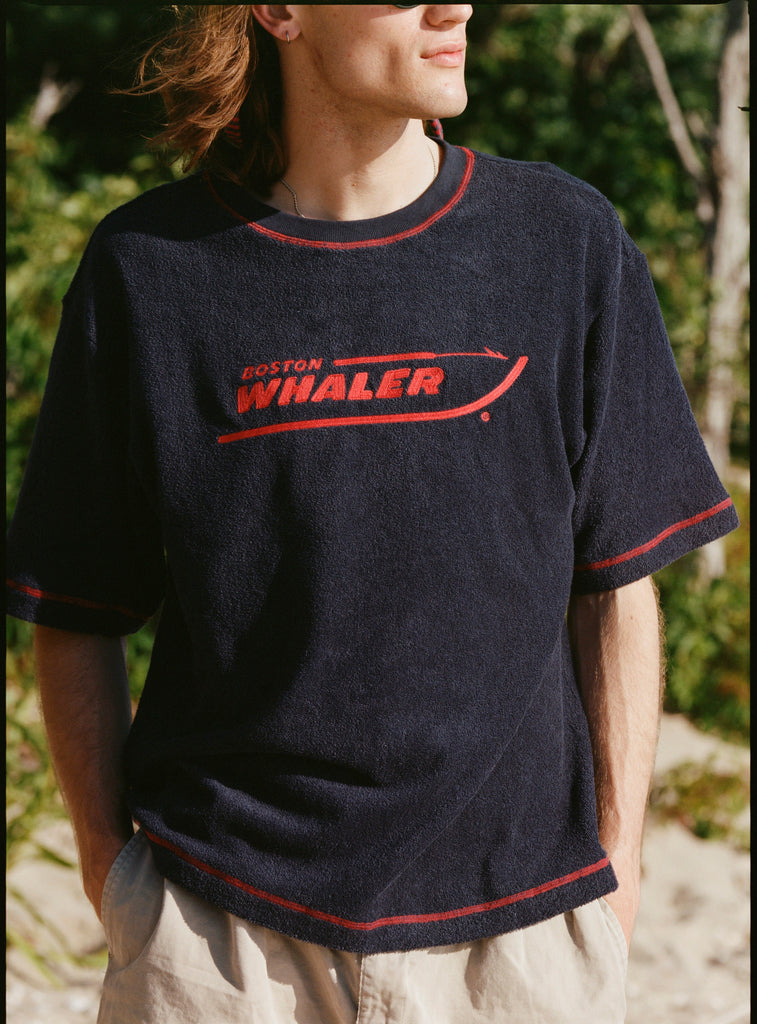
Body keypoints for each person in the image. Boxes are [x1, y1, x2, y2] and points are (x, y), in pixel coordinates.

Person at [6, 5, 739, 1023]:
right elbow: (74, 600)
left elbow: (616, 583)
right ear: (281, 11)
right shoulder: (150, 270)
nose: (454, 7)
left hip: (517, 939)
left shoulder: (563, 246)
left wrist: (616, 867)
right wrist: (114, 875)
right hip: (222, 942)